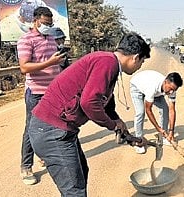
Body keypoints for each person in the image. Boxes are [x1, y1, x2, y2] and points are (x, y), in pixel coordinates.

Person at [27, 33, 151, 196]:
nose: (140, 66)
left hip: (59, 130)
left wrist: (127, 134)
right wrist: (112, 124)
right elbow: (89, 102)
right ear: (135, 57)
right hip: (51, 131)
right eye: (142, 61)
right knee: (74, 190)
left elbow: (105, 104)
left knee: (81, 175)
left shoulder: (108, 63)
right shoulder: (108, 63)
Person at [17, 6, 66, 185]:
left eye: (50, 22)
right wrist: (50, 62)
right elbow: (24, 67)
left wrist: (59, 64)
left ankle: (44, 156)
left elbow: (56, 64)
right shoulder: (26, 40)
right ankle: (26, 166)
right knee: (32, 128)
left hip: (53, 91)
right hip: (35, 92)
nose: (48, 25)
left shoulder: (52, 37)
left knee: (52, 126)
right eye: (45, 23)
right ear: (35, 20)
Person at [130, 70, 183, 154]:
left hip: (156, 92)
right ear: (166, 82)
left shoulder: (171, 90)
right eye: (170, 89)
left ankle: (163, 137)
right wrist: (158, 128)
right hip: (137, 87)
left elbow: (172, 110)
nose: (171, 92)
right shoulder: (152, 87)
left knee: (165, 109)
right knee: (140, 112)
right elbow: (148, 110)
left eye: (174, 90)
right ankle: (138, 141)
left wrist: (171, 131)